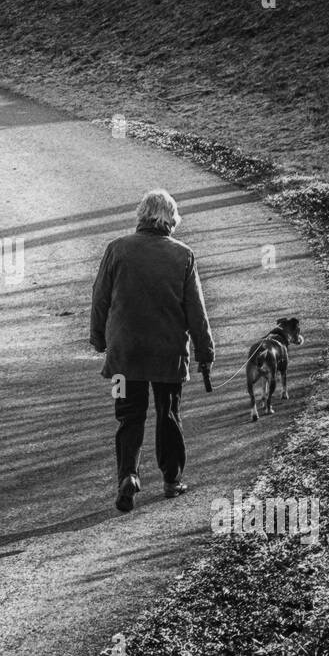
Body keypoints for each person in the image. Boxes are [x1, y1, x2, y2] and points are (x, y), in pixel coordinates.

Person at [89, 189, 215, 512]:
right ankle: (172, 479)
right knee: (168, 413)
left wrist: (99, 339)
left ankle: (127, 476)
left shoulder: (116, 250)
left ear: (141, 216)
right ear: (171, 219)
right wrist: (205, 352)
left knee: (127, 416)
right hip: (168, 356)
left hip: (123, 357)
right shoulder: (183, 255)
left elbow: (100, 297)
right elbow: (196, 311)